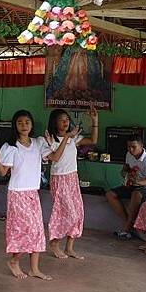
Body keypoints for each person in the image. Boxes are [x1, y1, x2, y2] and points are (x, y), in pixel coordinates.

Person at [0, 110, 52, 281]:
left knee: (37, 231)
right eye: (20, 122)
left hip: (33, 192)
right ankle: (14, 261)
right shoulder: (10, 147)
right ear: (15, 126)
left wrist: (54, 143)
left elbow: (54, 157)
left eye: (27, 122)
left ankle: (34, 268)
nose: (24, 125)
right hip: (17, 194)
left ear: (32, 124)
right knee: (21, 230)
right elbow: (3, 171)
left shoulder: (39, 143)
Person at [44, 107, 98, 260]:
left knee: (78, 212)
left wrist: (95, 121)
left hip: (72, 178)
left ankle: (69, 248)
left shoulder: (74, 138)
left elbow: (93, 141)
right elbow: (56, 157)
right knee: (67, 213)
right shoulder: (50, 139)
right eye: (62, 120)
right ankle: (54, 243)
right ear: (54, 122)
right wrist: (67, 137)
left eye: (67, 119)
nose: (66, 122)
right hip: (59, 179)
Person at [105, 135, 146, 240]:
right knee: (110, 194)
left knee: (136, 194)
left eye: (133, 147)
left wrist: (137, 181)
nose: (130, 149)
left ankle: (127, 229)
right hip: (133, 185)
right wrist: (126, 175)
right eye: (128, 147)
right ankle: (130, 224)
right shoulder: (129, 155)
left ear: (141, 146)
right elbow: (124, 169)